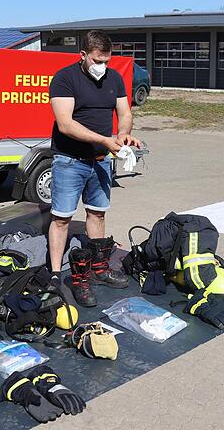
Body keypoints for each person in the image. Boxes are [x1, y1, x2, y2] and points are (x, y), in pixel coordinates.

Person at [48, 30, 141, 307]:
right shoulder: (65, 78)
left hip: (101, 161)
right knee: (61, 219)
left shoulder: (114, 78)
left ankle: (99, 267)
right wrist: (104, 140)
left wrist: (123, 134)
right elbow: (65, 124)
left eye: (107, 61)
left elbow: (124, 113)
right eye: (97, 60)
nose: (103, 66)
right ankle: (55, 274)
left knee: (97, 214)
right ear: (83, 56)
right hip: (69, 160)